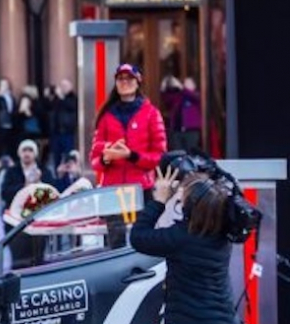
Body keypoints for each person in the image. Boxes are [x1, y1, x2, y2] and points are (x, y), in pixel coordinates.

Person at [130, 165, 235, 324]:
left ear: (190, 207)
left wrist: (159, 201)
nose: (180, 199)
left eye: (184, 197)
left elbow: (138, 237)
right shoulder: (224, 233)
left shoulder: (181, 238)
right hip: (223, 318)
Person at [89, 64, 167, 189]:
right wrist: (106, 157)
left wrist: (131, 155)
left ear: (137, 82)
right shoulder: (106, 115)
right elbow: (94, 159)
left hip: (141, 188)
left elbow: (159, 156)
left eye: (130, 78)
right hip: (111, 189)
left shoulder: (151, 114)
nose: (124, 82)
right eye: (120, 78)